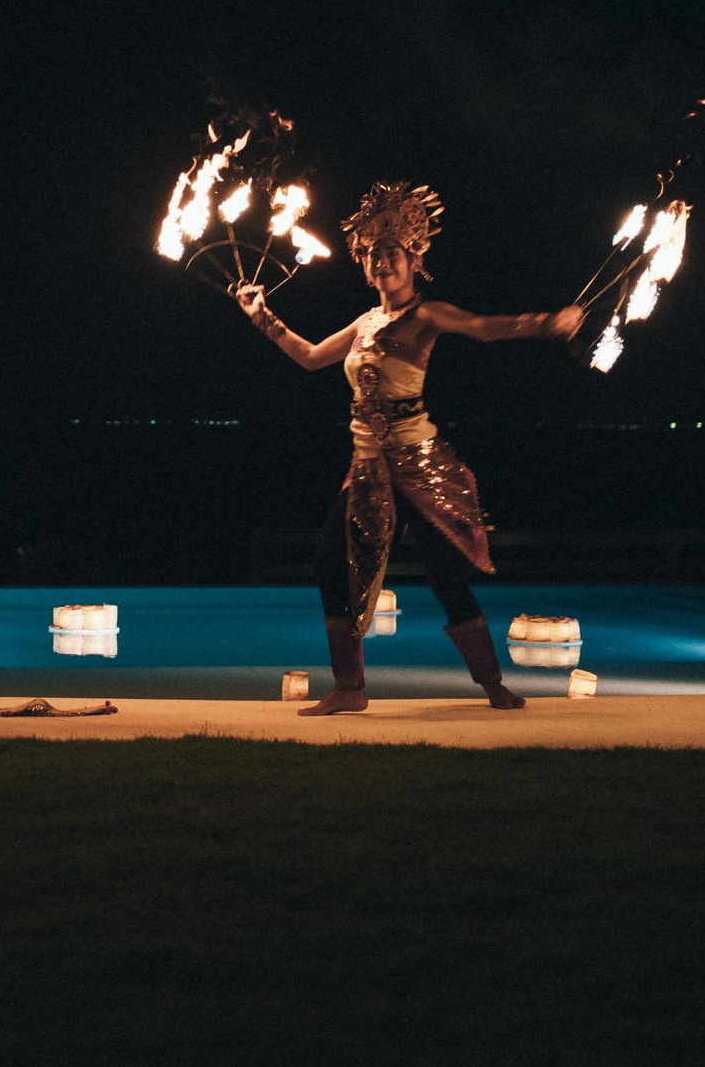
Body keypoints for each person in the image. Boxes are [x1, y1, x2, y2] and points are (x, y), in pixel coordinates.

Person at [235, 181, 581, 715]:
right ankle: (350, 688)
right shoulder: (364, 324)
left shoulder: (427, 315)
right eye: (373, 256)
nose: (382, 264)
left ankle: (492, 683)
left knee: (446, 576)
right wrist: (262, 315)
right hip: (367, 466)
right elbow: (307, 357)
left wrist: (545, 324)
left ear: (413, 259)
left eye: (392, 254)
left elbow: (485, 329)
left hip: (418, 464)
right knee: (330, 566)